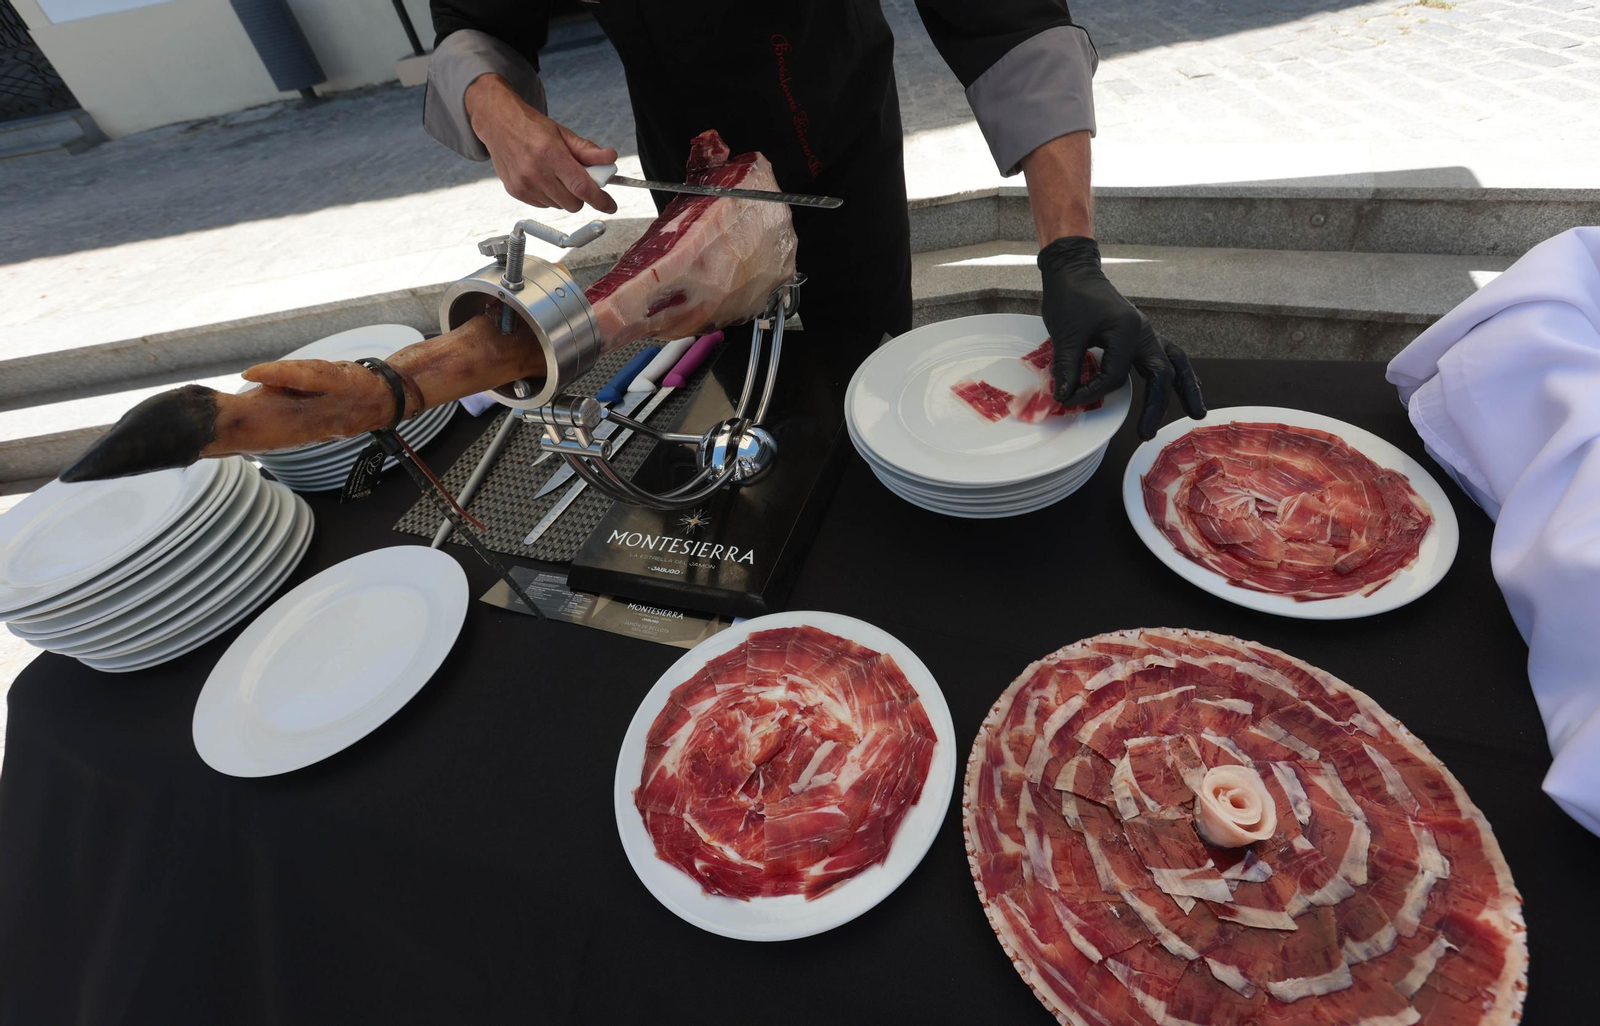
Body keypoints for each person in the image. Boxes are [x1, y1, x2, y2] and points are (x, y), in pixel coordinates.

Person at [424, 2, 1205, 438]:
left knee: (878, 381)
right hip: (692, 177)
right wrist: (491, 106)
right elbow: (476, 22)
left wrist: (1069, 254)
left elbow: (1008, 18)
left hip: (841, 139)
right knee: (747, 401)